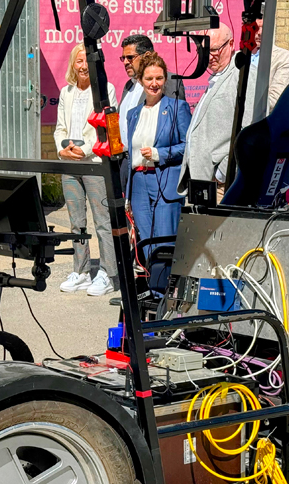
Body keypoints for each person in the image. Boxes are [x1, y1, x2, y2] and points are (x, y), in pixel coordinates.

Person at [53, 43, 118, 296]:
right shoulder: (66, 92)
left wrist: (87, 149)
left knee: (102, 222)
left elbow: (110, 130)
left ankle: (107, 273)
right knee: (76, 223)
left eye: (86, 62)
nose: (82, 66)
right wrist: (62, 149)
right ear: (73, 64)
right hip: (69, 165)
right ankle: (80, 271)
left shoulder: (106, 91)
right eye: (78, 61)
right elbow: (60, 129)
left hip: (94, 164)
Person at [177, 23, 257, 198]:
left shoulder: (242, 75)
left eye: (214, 50)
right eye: (204, 51)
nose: (209, 57)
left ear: (231, 44)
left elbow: (250, 130)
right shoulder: (219, 76)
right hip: (202, 182)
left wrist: (222, 173)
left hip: (220, 186)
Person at [126, 52, 191, 259]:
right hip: (138, 183)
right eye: (149, 78)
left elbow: (188, 147)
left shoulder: (177, 107)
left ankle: (166, 290)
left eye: (159, 78)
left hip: (164, 180)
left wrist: (158, 153)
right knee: (145, 242)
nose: (154, 83)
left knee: (165, 243)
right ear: (140, 80)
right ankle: (153, 289)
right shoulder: (133, 114)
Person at [118, 34, 186, 191]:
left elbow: (174, 131)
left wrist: (158, 155)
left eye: (130, 57)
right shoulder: (129, 86)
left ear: (146, 55)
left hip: (157, 168)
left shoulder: (169, 81)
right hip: (128, 163)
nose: (126, 62)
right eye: (123, 58)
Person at [252, 18, 289, 112]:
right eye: (255, 27)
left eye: (263, 27)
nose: (259, 32)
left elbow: (276, 98)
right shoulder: (237, 56)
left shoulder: (284, 57)